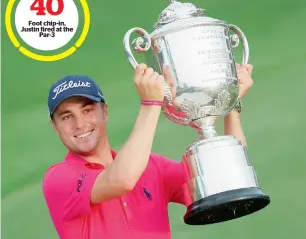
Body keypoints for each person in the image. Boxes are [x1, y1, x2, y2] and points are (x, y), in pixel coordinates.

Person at [42, 63, 253, 239]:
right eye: (67, 117)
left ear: (104, 112)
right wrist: (151, 103)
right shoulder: (58, 179)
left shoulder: (153, 167)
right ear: (55, 127)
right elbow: (121, 180)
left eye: (87, 110)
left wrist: (231, 104)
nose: (79, 124)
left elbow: (228, 178)